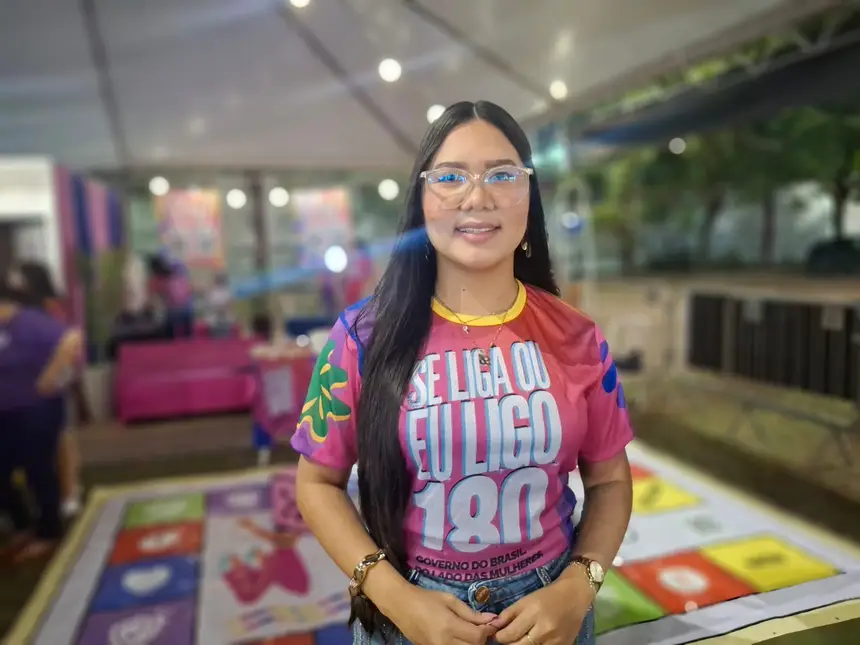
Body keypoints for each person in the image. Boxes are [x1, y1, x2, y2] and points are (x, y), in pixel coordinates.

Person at [291, 101, 634, 645]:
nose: (477, 197)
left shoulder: (578, 336)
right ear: (422, 201)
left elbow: (610, 480)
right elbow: (317, 484)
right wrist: (396, 597)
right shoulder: (360, 338)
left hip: (549, 617)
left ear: (529, 196)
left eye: (502, 175)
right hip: (407, 619)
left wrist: (579, 585)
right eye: (451, 177)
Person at [0, 273, 82, 561]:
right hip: (5, 413)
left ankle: (48, 531)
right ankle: (23, 524)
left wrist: (50, 377)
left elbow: (71, 338)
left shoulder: (29, 322)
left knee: (39, 470)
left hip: (38, 410)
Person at [16, 261, 88, 517]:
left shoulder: (50, 306)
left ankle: (70, 492)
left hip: (55, 370)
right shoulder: (18, 309)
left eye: (19, 279)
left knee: (61, 434)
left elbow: (67, 339)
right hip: (27, 374)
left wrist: (60, 372)